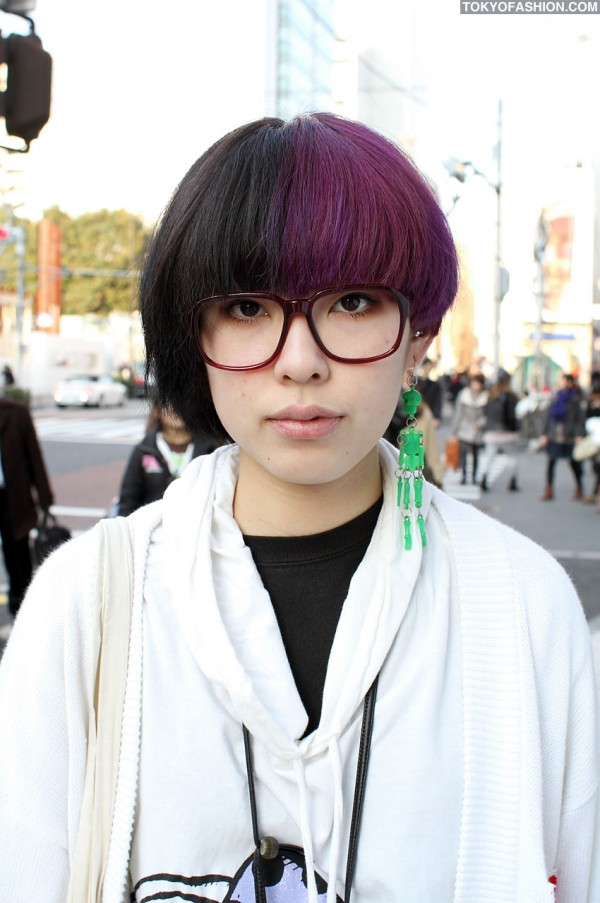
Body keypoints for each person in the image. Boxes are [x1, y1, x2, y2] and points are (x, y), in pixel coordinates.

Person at [0, 114, 597, 903]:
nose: (302, 361)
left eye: (351, 301)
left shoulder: (523, 604)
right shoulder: (86, 606)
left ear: (418, 335)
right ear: (195, 329)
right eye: (248, 307)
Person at [0, 397, 54, 642]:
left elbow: (34, 457)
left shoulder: (16, 414)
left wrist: (44, 500)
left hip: (13, 499)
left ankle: (20, 619)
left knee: (18, 561)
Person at [117, 405, 218, 516]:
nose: (176, 409)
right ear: (156, 410)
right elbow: (128, 501)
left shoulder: (212, 449)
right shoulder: (144, 449)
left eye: (181, 403)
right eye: (169, 404)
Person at [539, 372, 586, 501]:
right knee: (551, 462)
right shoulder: (556, 397)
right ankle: (549, 489)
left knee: (573, 463)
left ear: (570, 383)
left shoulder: (575, 399)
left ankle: (579, 487)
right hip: (555, 435)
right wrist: (544, 434)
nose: (560, 383)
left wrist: (579, 435)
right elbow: (547, 417)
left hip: (569, 436)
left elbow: (579, 419)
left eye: (563, 380)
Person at [479, 368, 521, 492]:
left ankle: (484, 479)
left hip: (491, 431)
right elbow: (512, 416)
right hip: (507, 432)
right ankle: (513, 481)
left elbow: (486, 413)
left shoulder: (491, 395)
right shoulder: (511, 396)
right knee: (512, 457)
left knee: (489, 456)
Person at [449, 372, 488, 485]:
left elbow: (487, 414)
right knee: (464, 454)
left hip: (478, 430)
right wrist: (454, 430)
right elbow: (458, 413)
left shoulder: (486, 396)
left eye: (478, 383)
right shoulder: (464, 395)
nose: (476, 385)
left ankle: (474, 476)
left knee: (476, 455)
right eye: (474, 383)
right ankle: (464, 476)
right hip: (464, 428)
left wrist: (481, 423)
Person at [417, 356, 443, 425]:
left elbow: (437, 401)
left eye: (429, 367)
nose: (428, 369)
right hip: (415, 415)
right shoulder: (415, 383)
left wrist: (436, 416)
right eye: (426, 367)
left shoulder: (434, 385)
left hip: (428, 415)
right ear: (423, 367)